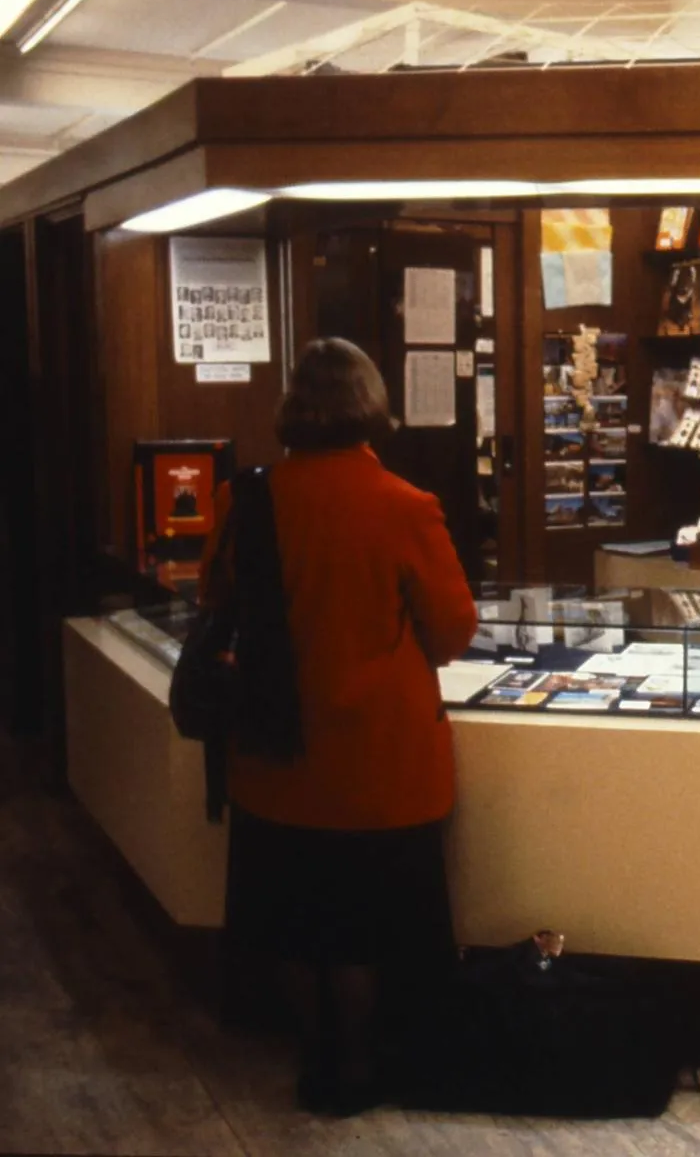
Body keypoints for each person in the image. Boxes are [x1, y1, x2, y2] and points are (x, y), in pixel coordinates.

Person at [203, 337, 477, 1116]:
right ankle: (355, 1067)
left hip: (272, 753)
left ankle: (311, 1055)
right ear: (372, 407)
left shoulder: (245, 498)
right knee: (363, 927)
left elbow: (212, 599)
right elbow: (454, 632)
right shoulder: (404, 505)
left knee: (294, 918)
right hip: (377, 762)